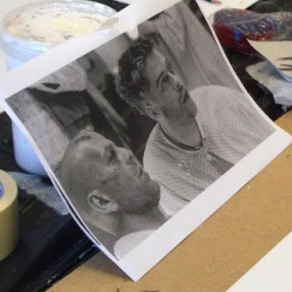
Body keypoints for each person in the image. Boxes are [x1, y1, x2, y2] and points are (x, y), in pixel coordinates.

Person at [115, 34, 273, 211]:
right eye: (164, 81)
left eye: (170, 69)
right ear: (152, 110)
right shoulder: (159, 170)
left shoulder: (217, 98)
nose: (177, 82)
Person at [56, 130, 167, 258]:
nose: (127, 153)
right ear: (103, 201)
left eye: (117, 147)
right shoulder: (146, 257)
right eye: (111, 156)